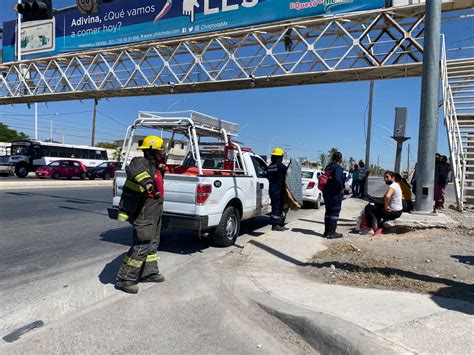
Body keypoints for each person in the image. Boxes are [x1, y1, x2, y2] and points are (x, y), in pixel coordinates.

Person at [115, 135, 167, 294]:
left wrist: (161, 171)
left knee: (153, 242)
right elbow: (137, 172)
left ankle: (149, 272)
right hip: (145, 210)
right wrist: (148, 183)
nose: (163, 153)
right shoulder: (139, 163)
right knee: (142, 243)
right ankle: (125, 279)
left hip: (155, 209)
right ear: (152, 152)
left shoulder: (155, 167)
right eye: (161, 150)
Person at [364, 171, 403, 237]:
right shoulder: (395, 185)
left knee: (369, 207)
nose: (385, 179)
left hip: (393, 212)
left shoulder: (393, 186)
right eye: (384, 177)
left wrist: (385, 207)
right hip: (397, 211)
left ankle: (372, 227)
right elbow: (385, 198)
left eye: (387, 177)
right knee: (374, 205)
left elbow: (387, 196)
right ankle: (377, 224)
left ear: (393, 178)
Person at [322, 151, 345, 238]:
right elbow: (338, 180)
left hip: (326, 192)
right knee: (334, 212)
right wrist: (341, 189)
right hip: (334, 193)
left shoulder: (328, 167)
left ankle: (326, 232)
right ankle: (332, 233)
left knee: (328, 212)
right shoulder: (337, 167)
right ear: (340, 159)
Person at [267, 147, 288, 231]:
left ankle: (278, 223)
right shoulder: (282, 167)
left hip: (272, 189)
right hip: (279, 190)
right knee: (277, 207)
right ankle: (275, 225)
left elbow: (268, 177)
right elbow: (287, 177)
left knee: (275, 206)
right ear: (280, 157)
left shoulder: (269, 167)